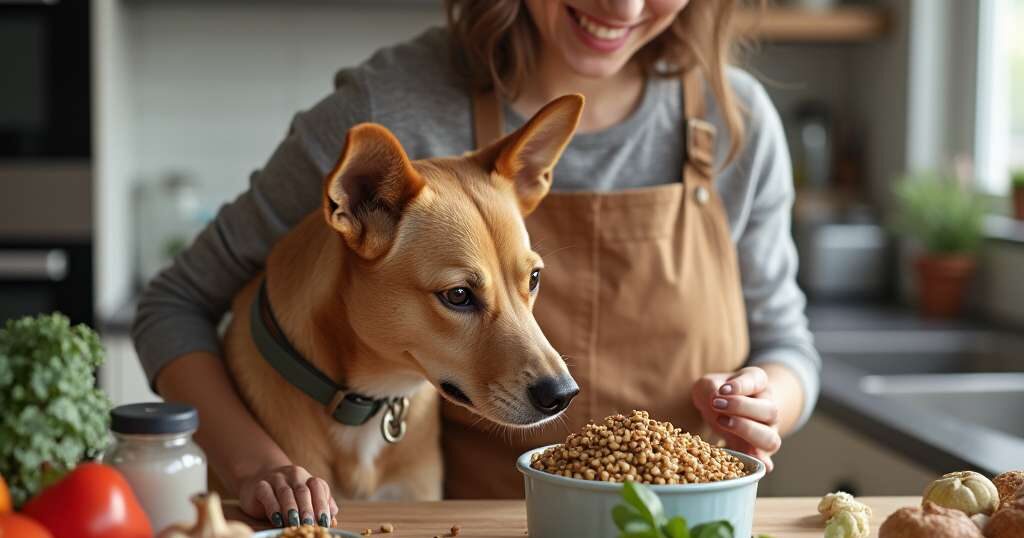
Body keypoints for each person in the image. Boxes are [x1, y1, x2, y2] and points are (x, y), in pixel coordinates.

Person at [132, 0, 821, 526]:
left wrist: (769, 401)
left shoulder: (737, 123)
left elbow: (789, 344)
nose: (627, 7)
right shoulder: (387, 107)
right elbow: (174, 304)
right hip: (479, 524)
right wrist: (259, 466)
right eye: (462, 295)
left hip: (686, 526)